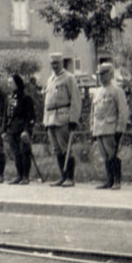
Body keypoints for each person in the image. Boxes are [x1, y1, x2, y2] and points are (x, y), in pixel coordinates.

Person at [43, 52, 82, 187]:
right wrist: (45, 120)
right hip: (51, 118)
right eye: (52, 63)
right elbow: (46, 102)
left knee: (66, 148)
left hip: (63, 117)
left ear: (62, 63)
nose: (54, 66)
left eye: (57, 63)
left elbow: (76, 100)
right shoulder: (50, 80)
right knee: (57, 150)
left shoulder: (69, 78)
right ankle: (62, 176)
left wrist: (73, 119)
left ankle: (70, 178)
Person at [91, 63, 130, 189]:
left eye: (104, 74)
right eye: (100, 74)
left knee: (114, 154)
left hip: (111, 127)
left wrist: (120, 129)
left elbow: (122, 111)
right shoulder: (97, 92)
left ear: (111, 74)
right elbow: (93, 112)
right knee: (105, 156)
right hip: (99, 128)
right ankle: (109, 180)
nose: (101, 77)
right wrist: (92, 128)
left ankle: (117, 181)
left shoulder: (117, 91)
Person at [5, 73, 37, 185]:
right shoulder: (11, 97)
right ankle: (19, 175)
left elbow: (30, 116)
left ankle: (25, 176)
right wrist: (6, 128)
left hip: (22, 128)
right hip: (12, 128)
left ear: (17, 84)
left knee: (25, 152)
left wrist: (27, 130)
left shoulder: (25, 98)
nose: (9, 84)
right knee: (16, 153)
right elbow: (8, 114)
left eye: (11, 82)